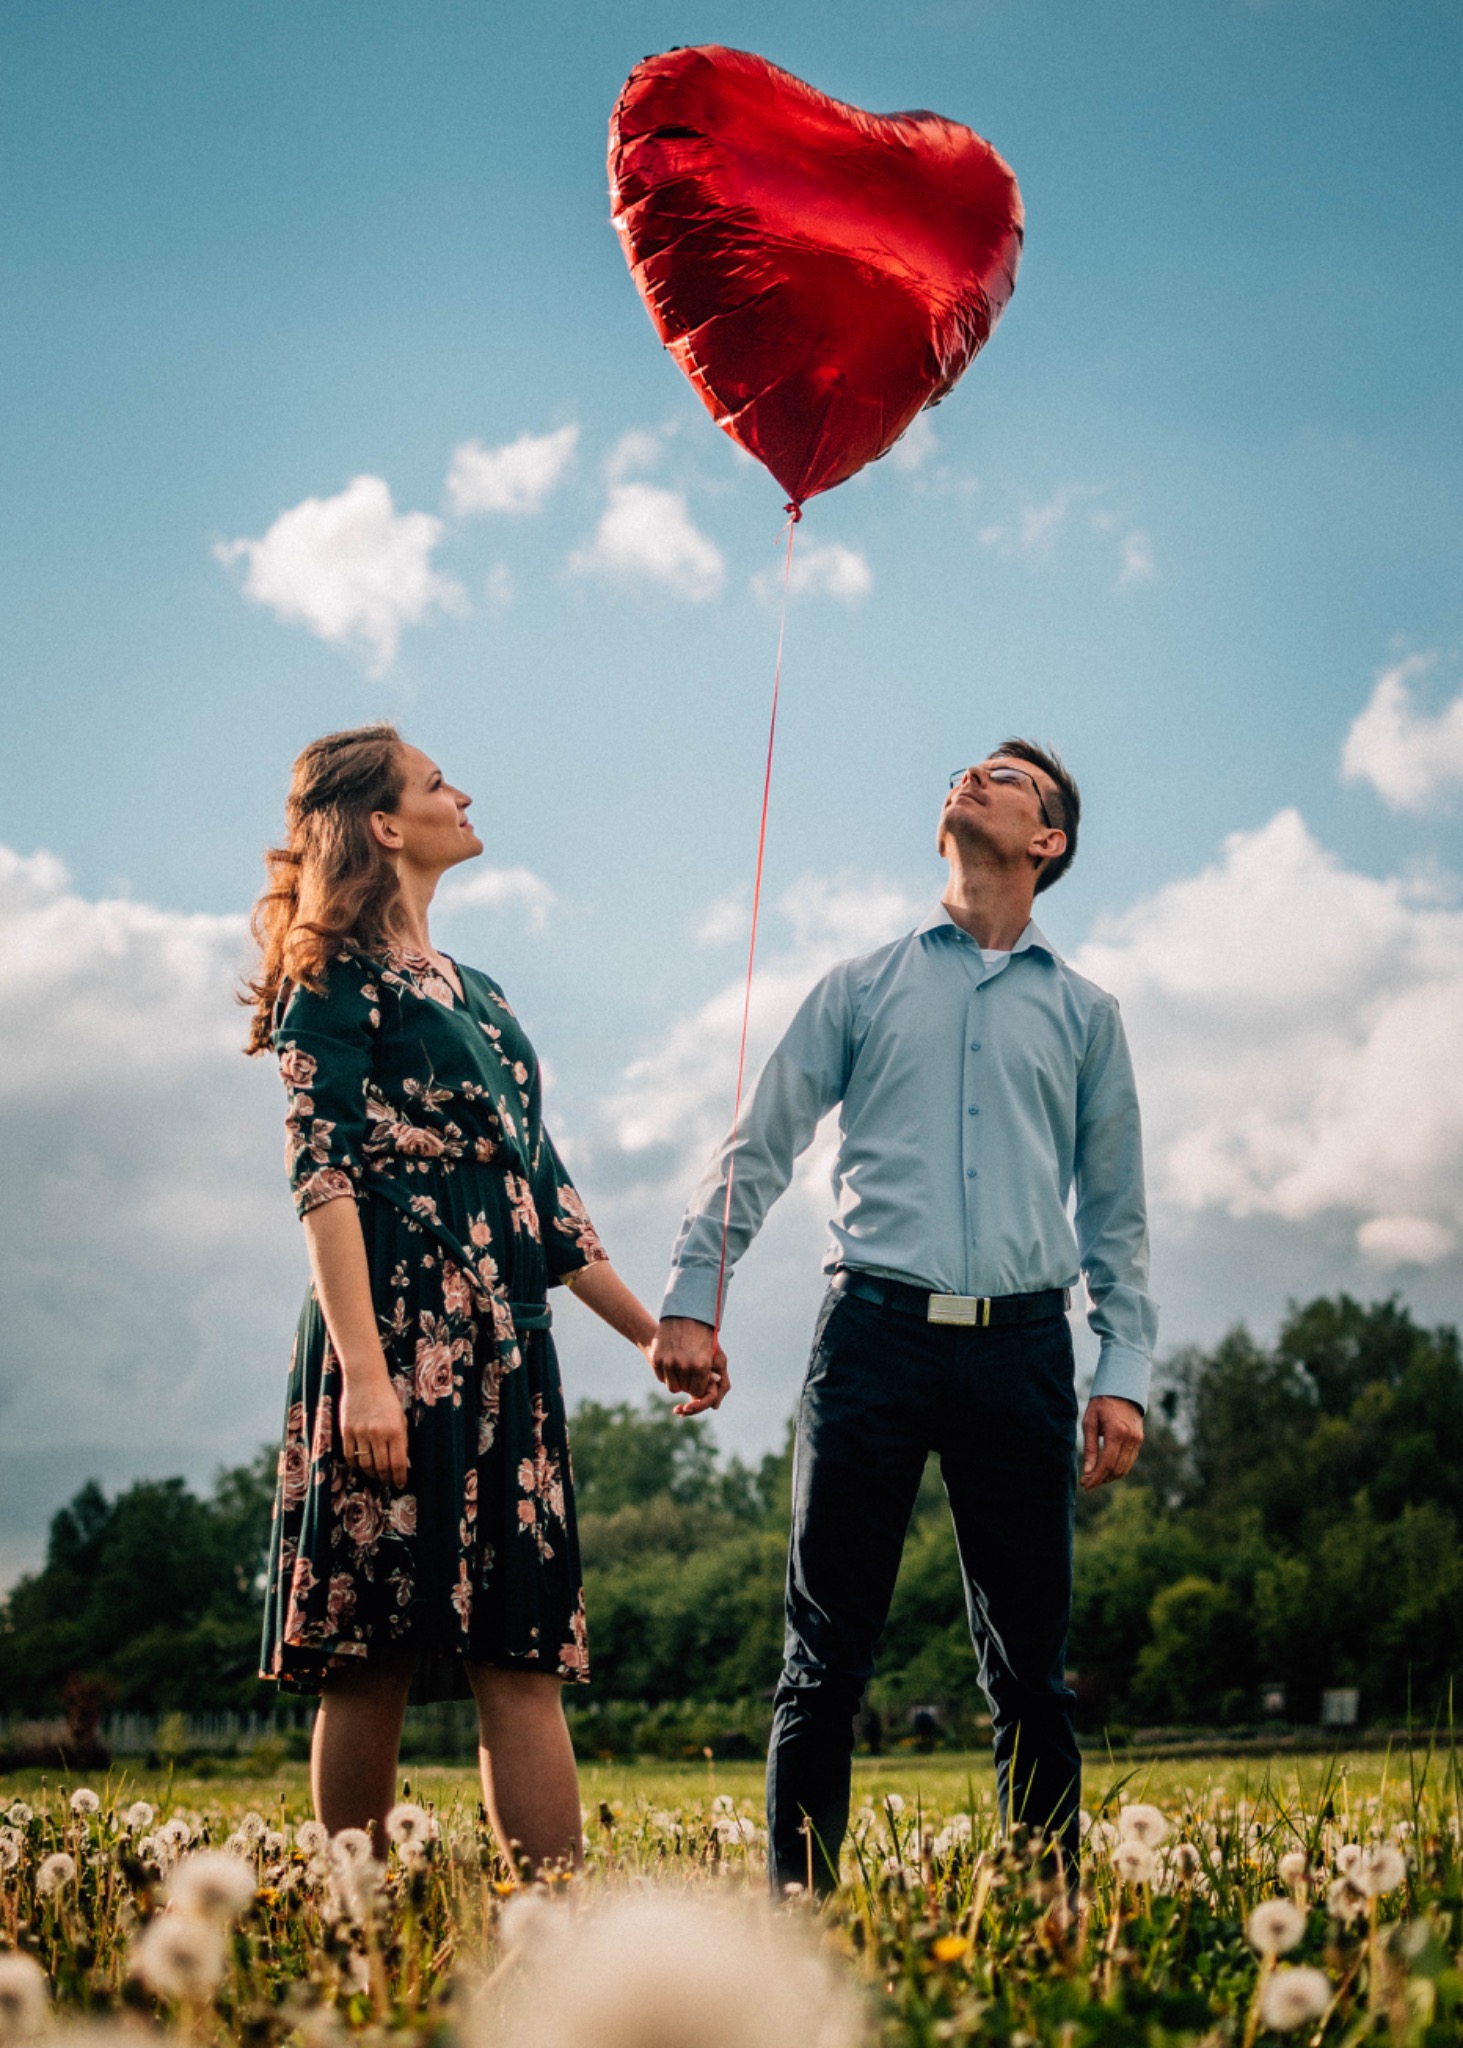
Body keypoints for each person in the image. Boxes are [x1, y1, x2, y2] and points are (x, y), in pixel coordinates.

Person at [650, 741, 1156, 1895]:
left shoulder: (1086, 1014)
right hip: (869, 1339)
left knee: (1028, 1666)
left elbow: (1115, 1208)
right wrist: (692, 1295)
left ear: (1047, 841)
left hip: (1025, 1349)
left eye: (1007, 777)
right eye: (965, 768)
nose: (969, 776)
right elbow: (760, 1142)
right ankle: (798, 1917)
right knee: (821, 1658)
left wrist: (1119, 1365)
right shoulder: (860, 984)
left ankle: (1045, 1908)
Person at [246, 723, 705, 1871]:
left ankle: (550, 1918)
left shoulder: (484, 994)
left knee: (523, 1645)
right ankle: (356, 1917)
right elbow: (324, 1174)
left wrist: (657, 1334)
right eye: (437, 780)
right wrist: (363, 1371)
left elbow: (545, 1198)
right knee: (370, 1645)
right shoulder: (329, 976)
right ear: (386, 824)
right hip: (391, 1337)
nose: (464, 791)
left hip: (509, 1346)